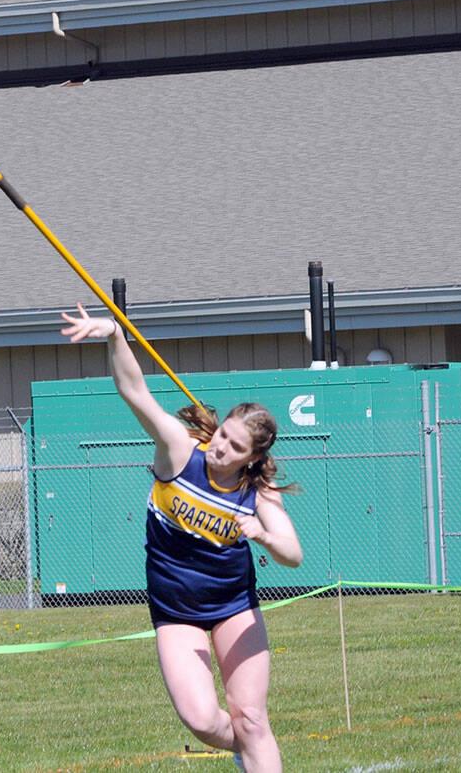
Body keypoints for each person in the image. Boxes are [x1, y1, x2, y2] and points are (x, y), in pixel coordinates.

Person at [61, 305, 303, 772]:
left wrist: (263, 536)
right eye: (223, 435)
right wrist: (113, 334)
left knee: (251, 718)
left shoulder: (258, 491)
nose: (221, 447)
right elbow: (135, 392)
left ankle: (255, 747)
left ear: (252, 458)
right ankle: (249, 752)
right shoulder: (178, 449)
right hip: (174, 610)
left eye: (235, 446)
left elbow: (293, 554)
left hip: (234, 605)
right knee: (203, 720)